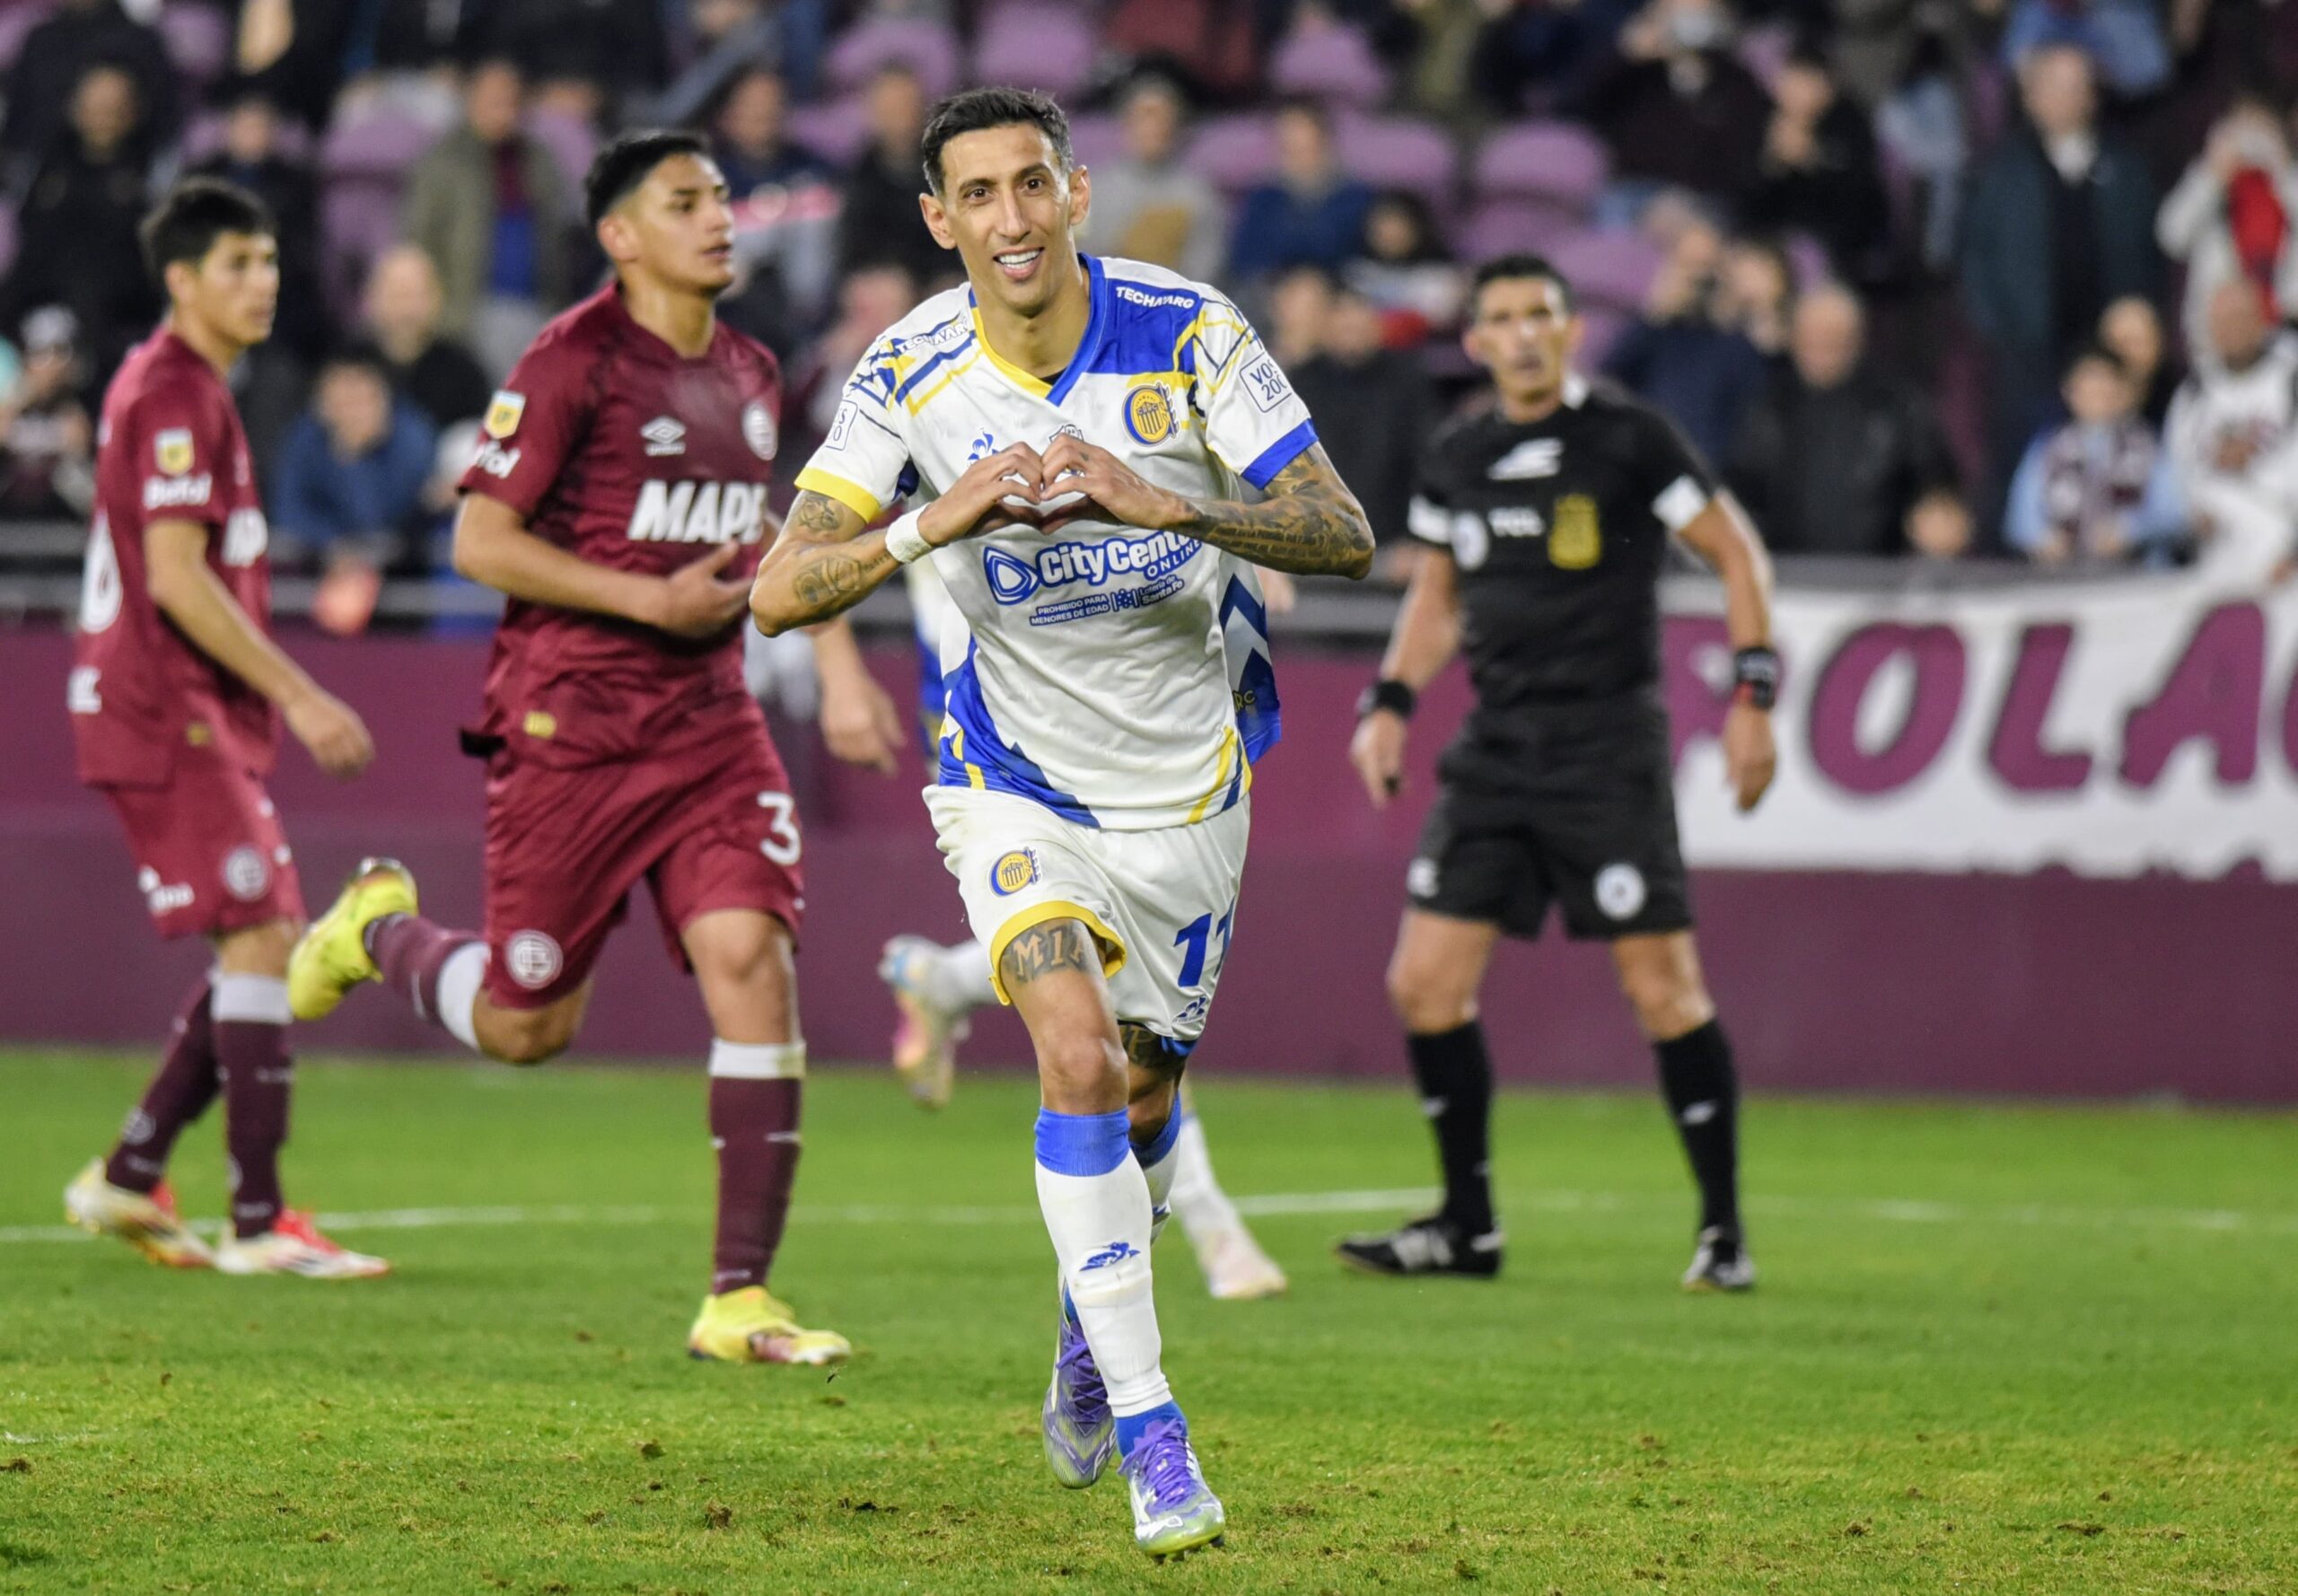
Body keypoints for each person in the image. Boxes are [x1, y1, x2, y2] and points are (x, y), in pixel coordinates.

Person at [750, 86, 1375, 1561]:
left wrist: (1172, 506)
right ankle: (1161, 1438)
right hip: (1009, 779)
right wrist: (934, 516)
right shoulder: (909, 369)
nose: (1012, 218)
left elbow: (1343, 532)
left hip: (1189, 789)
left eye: (1033, 184)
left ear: (1077, 191)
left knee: (1144, 1100)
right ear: (938, 219)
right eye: (978, 194)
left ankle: (1091, 1336)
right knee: (1077, 1054)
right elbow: (778, 588)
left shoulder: (1190, 332)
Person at [286, 131, 875, 1367]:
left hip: (709, 723)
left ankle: (739, 1296)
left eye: (721, 197)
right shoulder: (569, 362)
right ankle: (378, 931)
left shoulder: (754, 369)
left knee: (751, 957)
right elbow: (481, 543)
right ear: (620, 235)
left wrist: (834, 661)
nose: (718, 217)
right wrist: (648, 599)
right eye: (685, 201)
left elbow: (763, 525)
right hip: (574, 730)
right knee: (526, 1027)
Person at [1335, 253, 1775, 1293]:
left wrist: (1753, 695)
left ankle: (1723, 1232)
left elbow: (1735, 553)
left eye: (1541, 313)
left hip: (1606, 749)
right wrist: (1389, 701)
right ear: (1476, 340)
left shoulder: (1627, 438)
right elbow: (1437, 595)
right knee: (1423, 984)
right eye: (1501, 317)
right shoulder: (1459, 453)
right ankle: (1467, 1225)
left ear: (1572, 329)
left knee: (1662, 990)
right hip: (1496, 751)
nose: (1523, 332)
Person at [60, 179, 385, 1280]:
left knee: (261, 933)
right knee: (262, 931)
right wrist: (302, 692)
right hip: (160, 701)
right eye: (238, 264)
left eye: (270, 261)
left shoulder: (192, 387)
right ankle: (258, 1219)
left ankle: (131, 1170)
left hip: (178, 703)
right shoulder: (173, 390)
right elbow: (175, 577)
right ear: (182, 279)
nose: (263, 282)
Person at [873, 560, 1294, 1304]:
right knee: (1118, 1003)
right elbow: (836, 518)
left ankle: (942, 981)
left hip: (1112, 683)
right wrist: (836, 661)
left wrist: (1229, 540)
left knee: (1112, 975)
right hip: (994, 693)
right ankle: (1210, 1227)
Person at [1959, 42, 2155, 505]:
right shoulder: (2001, 172)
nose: (2066, 98)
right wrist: (2003, 328)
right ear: (2030, 97)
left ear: (2093, 96)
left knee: (2116, 468)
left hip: (2108, 348)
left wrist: (2133, 323)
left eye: (2076, 87)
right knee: (2027, 466)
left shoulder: (2124, 167)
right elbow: (1975, 257)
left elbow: (2146, 254)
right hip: (2028, 351)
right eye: (2053, 86)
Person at [1728, 284, 1970, 558]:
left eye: (1833, 337)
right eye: (1811, 336)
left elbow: (1936, 487)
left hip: (1878, 573)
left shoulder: (1897, 407)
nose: (1821, 346)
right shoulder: (1769, 408)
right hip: (1790, 571)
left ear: (1856, 340)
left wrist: (1938, 515)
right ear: (1794, 338)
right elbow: (1743, 489)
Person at [402, 58, 578, 378]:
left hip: (538, 306)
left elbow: (559, 233)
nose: (504, 111)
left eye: (512, 101)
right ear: (471, 100)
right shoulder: (443, 160)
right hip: (469, 309)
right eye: (494, 100)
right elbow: (419, 237)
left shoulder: (538, 158)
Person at [269, 346, 442, 633]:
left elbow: (384, 520)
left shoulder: (412, 438)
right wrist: (331, 545)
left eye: (359, 396)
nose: (349, 409)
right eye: (339, 397)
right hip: (319, 573)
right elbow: (288, 509)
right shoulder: (304, 436)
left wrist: (352, 458)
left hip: (401, 582)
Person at [2162, 279, 2298, 582]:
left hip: (2281, 544)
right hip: (2215, 553)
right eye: (2221, 321)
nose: (2231, 330)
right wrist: (2191, 515)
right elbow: (2176, 471)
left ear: (2262, 320)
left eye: (2239, 318)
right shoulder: (2193, 392)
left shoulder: (2290, 379)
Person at [2004, 344, 2184, 566]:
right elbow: (2019, 520)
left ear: (2123, 391)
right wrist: (2044, 539)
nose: (2097, 393)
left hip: (2137, 574)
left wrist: (2130, 531)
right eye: (2089, 384)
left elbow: (2175, 512)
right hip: (2063, 576)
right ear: (2069, 391)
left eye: (2105, 384)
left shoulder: (2148, 445)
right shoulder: (2047, 448)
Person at [1082, 75, 1224, 287]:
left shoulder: (1200, 197)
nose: (1152, 127)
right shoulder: (1091, 190)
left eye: (1162, 118)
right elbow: (1079, 262)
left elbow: (1205, 273)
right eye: (1144, 117)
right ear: (1126, 123)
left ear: (1177, 125)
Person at [1225, 99, 1375, 285]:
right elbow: (1246, 263)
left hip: (1341, 292)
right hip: (1272, 293)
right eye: (1285, 129)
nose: (1292, 137)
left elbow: (1365, 261)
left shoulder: (1356, 197)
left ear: (1323, 134)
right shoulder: (1262, 198)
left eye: (1300, 127)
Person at [358, 245, 494, 434]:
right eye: (396, 294)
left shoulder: (464, 374)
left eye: (415, 295)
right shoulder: (348, 365)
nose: (406, 308)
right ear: (372, 298)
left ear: (437, 298)